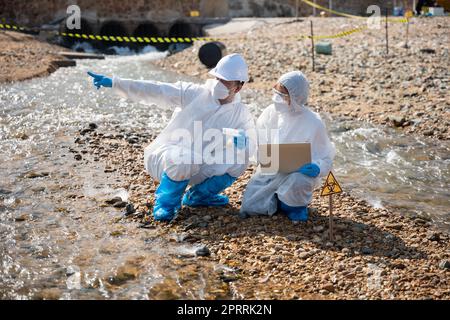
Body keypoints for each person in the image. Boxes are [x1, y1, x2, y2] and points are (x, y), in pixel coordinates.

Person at [87, 53, 256, 222]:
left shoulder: (241, 113)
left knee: (239, 160)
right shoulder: (194, 93)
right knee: (185, 159)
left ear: (238, 87)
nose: (219, 84)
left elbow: (254, 143)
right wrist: (116, 83)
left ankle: (199, 197)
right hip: (167, 159)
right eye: (218, 78)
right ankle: (165, 205)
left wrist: (245, 141)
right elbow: (157, 90)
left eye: (225, 81)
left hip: (200, 164)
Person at [240, 71, 335, 221]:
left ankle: (294, 207)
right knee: (249, 207)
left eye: (283, 96)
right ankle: (278, 199)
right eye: (276, 92)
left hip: (298, 174)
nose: (277, 99)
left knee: (299, 182)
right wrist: (248, 144)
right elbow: (259, 144)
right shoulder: (270, 113)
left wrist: (317, 167)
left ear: (296, 97)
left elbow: (326, 157)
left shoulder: (313, 122)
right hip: (271, 171)